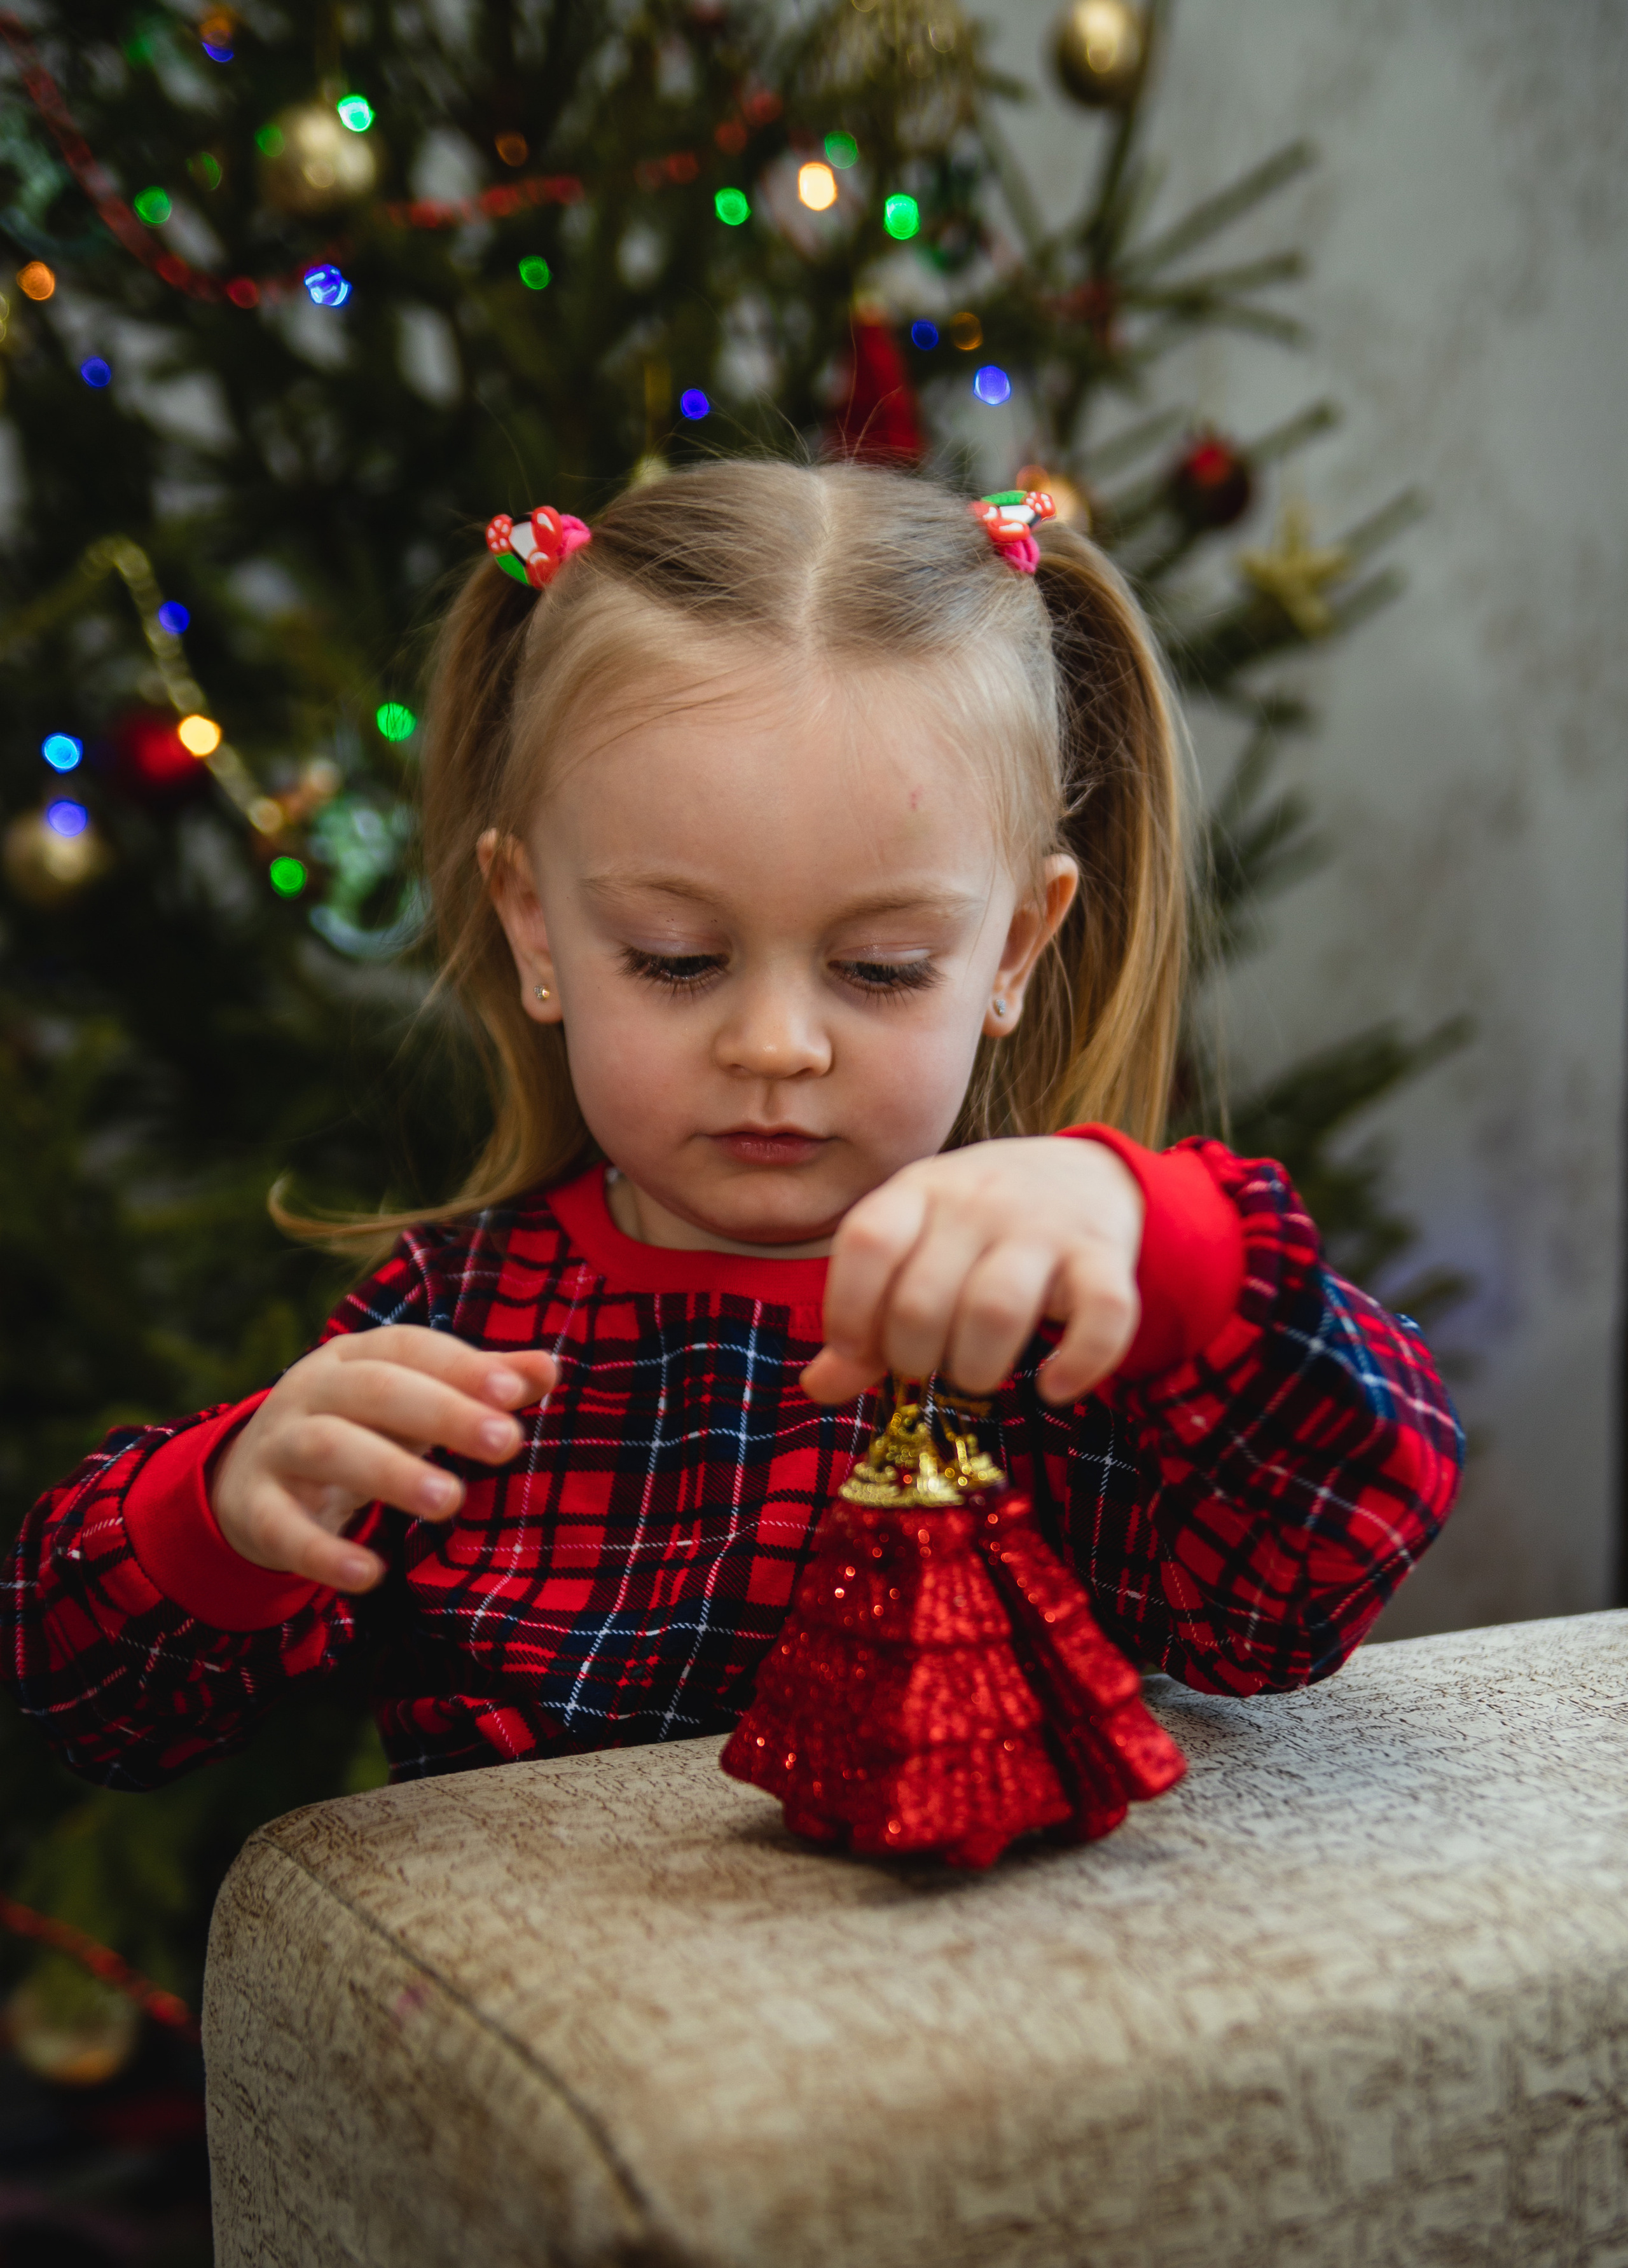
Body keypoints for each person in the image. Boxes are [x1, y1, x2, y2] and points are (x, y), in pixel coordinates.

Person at [4, 461, 1462, 1794]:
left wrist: (1171, 1250)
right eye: (674, 958)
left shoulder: (1052, 1324)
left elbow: (1310, 1584)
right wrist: (223, 1513)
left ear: (1013, 949)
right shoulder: (463, 1325)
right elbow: (91, 1703)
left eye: (881, 969)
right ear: (536, 928)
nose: (776, 1046)